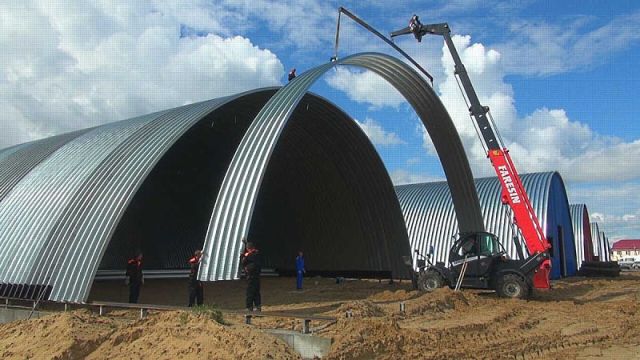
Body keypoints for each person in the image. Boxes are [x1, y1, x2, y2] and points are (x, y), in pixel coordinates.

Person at [240, 242, 261, 311]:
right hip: (257, 277)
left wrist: (243, 256)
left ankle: (249, 308)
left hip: (251, 277)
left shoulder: (248, 255)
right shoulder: (257, 253)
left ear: (247, 248)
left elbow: (243, 262)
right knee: (256, 292)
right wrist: (245, 242)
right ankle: (258, 308)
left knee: (249, 293)